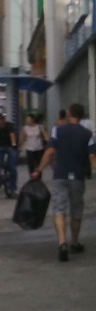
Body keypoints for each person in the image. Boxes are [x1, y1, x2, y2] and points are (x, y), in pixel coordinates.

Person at [32, 102, 96, 262]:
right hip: (78, 177)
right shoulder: (88, 134)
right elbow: (92, 157)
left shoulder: (57, 130)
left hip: (60, 175)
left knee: (59, 209)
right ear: (82, 116)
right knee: (76, 209)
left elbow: (50, 151)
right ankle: (74, 242)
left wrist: (39, 169)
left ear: (68, 113)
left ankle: (62, 243)